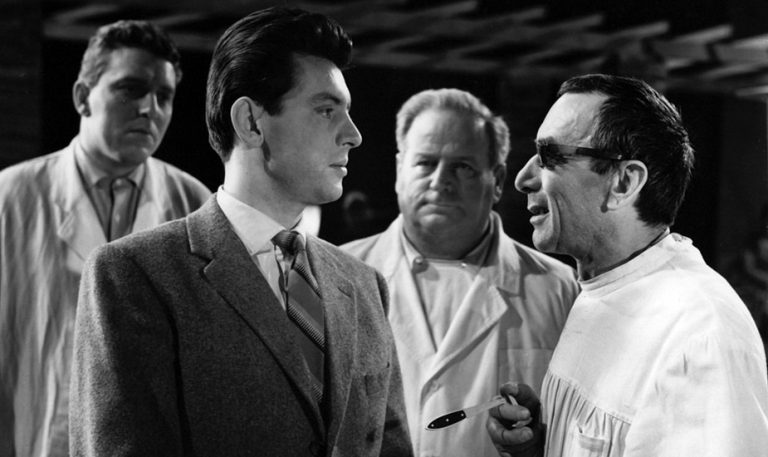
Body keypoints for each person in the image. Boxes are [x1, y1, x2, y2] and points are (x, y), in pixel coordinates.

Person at [69, 7, 412, 457]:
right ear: (250, 122)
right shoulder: (137, 276)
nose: (353, 135)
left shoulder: (365, 286)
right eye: (326, 110)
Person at [487, 74, 768, 456]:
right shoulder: (605, 286)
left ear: (623, 182)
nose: (523, 178)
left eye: (550, 157)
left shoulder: (699, 337)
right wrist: (542, 446)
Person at [0, 20, 210, 457]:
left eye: (164, 96)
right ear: (82, 96)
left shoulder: (195, 206)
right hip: (37, 436)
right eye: (130, 89)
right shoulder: (9, 198)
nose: (149, 108)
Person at [342, 88, 578, 457]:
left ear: (497, 180)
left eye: (463, 167)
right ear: (399, 170)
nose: (441, 181)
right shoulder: (338, 276)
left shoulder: (559, 289)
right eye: (425, 163)